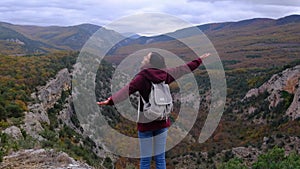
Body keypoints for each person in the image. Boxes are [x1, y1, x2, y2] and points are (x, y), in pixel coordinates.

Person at [97, 52, 210, 169]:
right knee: (160, 159)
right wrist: (199, 60)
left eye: (146, 57)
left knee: (145, 160)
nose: (144, 58)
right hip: (161, 122)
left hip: (145, 124)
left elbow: (126, 91)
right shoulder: (166, 74)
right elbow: (184, 69)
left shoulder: (141, 77)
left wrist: (110, 101)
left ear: (150, 63)